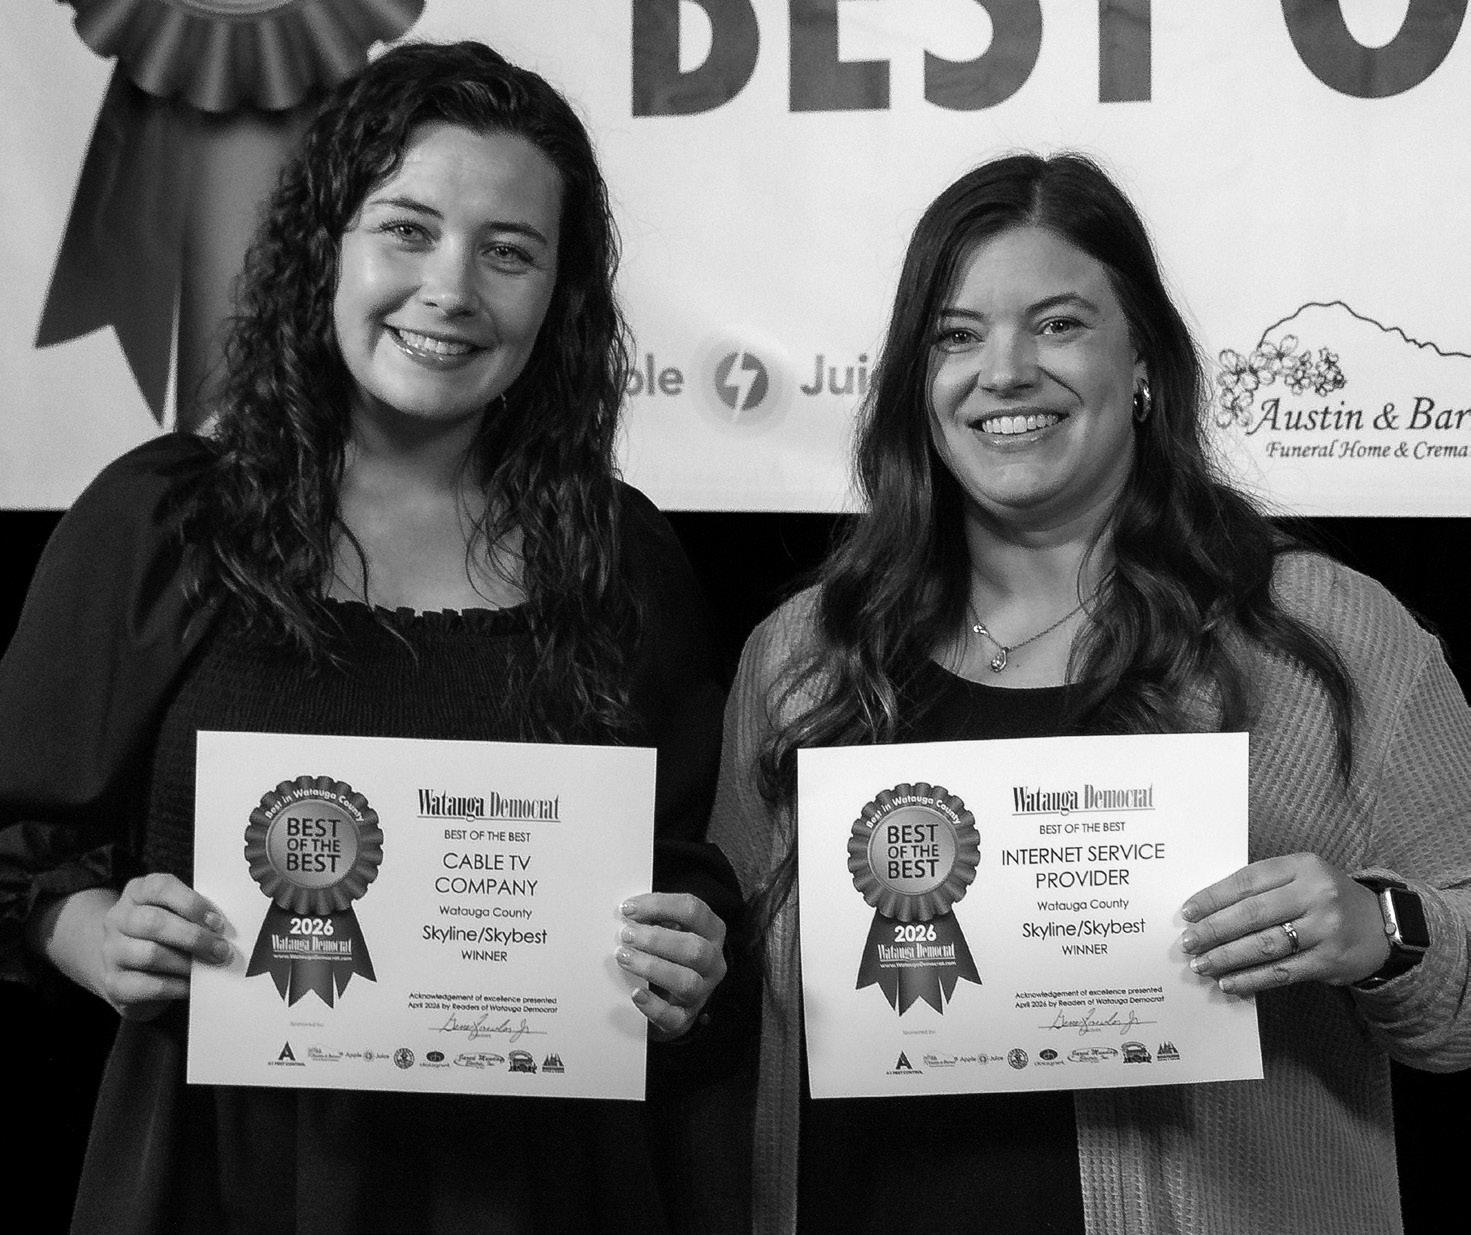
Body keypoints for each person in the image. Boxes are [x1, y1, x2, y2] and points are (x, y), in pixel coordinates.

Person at [0, 40, 745, 1234]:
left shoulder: (618, 556)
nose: (451, 288)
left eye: (509, 252)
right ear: (325, 248)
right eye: (407, 229)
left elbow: (677, 858)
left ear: (558, 297)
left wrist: (691, 948)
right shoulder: (164, 523)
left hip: (538, 1181)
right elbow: (17, 841)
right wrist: (85, 930)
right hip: (222, 1175)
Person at [709, 151, 1471, 1234]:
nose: (1004, 371)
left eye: (1058, 325)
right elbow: (732, 1004)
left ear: (1142, 361)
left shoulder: (1323, 635)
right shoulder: (803, 657)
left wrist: (1379, 925)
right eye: (955, 336)